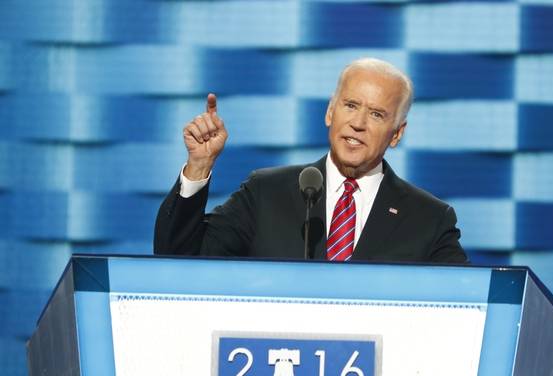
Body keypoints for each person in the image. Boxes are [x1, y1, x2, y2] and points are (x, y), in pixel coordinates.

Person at [154, 58, 468, 264]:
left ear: (397, 134)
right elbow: (178, 260)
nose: (357, 123)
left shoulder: (429, 220)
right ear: (330, 111)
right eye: (350, 105)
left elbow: (467, 308)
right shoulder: (266, 193)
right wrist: (198, 166)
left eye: (376, 114)